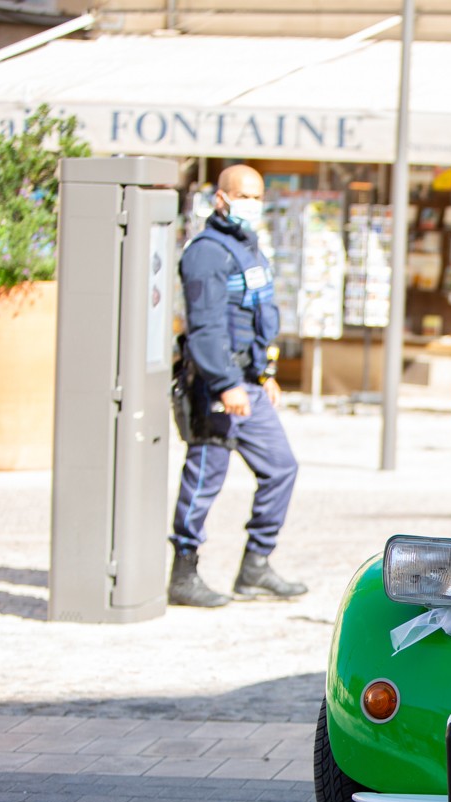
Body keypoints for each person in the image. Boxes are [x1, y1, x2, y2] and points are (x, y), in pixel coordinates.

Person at [168, 164, 307, 609]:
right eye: (244, 196)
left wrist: (264, 374)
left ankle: (255, 567)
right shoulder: (207, 253)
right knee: (204, 478)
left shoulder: (248, 248)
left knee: (281, 468)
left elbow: (255, 320)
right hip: (215, 387)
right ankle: (183, 572)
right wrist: (226, 384)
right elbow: (206, 327)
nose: (252, 204)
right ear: (221, 199)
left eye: (257, 197)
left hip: (249, 384)